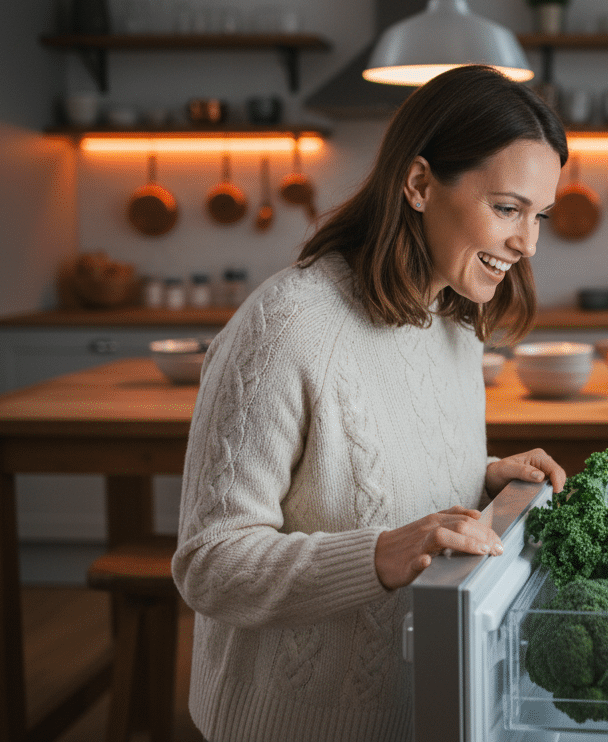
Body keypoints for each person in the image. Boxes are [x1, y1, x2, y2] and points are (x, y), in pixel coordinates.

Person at [172, 65, 570, 742]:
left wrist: (482, 477)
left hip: (426, 708)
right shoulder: (286, 326)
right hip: (291, 725)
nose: (527, 243)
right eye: (507, 208)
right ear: (418, 184)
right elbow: (210, 565)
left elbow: (371, 478)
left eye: (539, 217)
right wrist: (378, 556)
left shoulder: (454, 319)